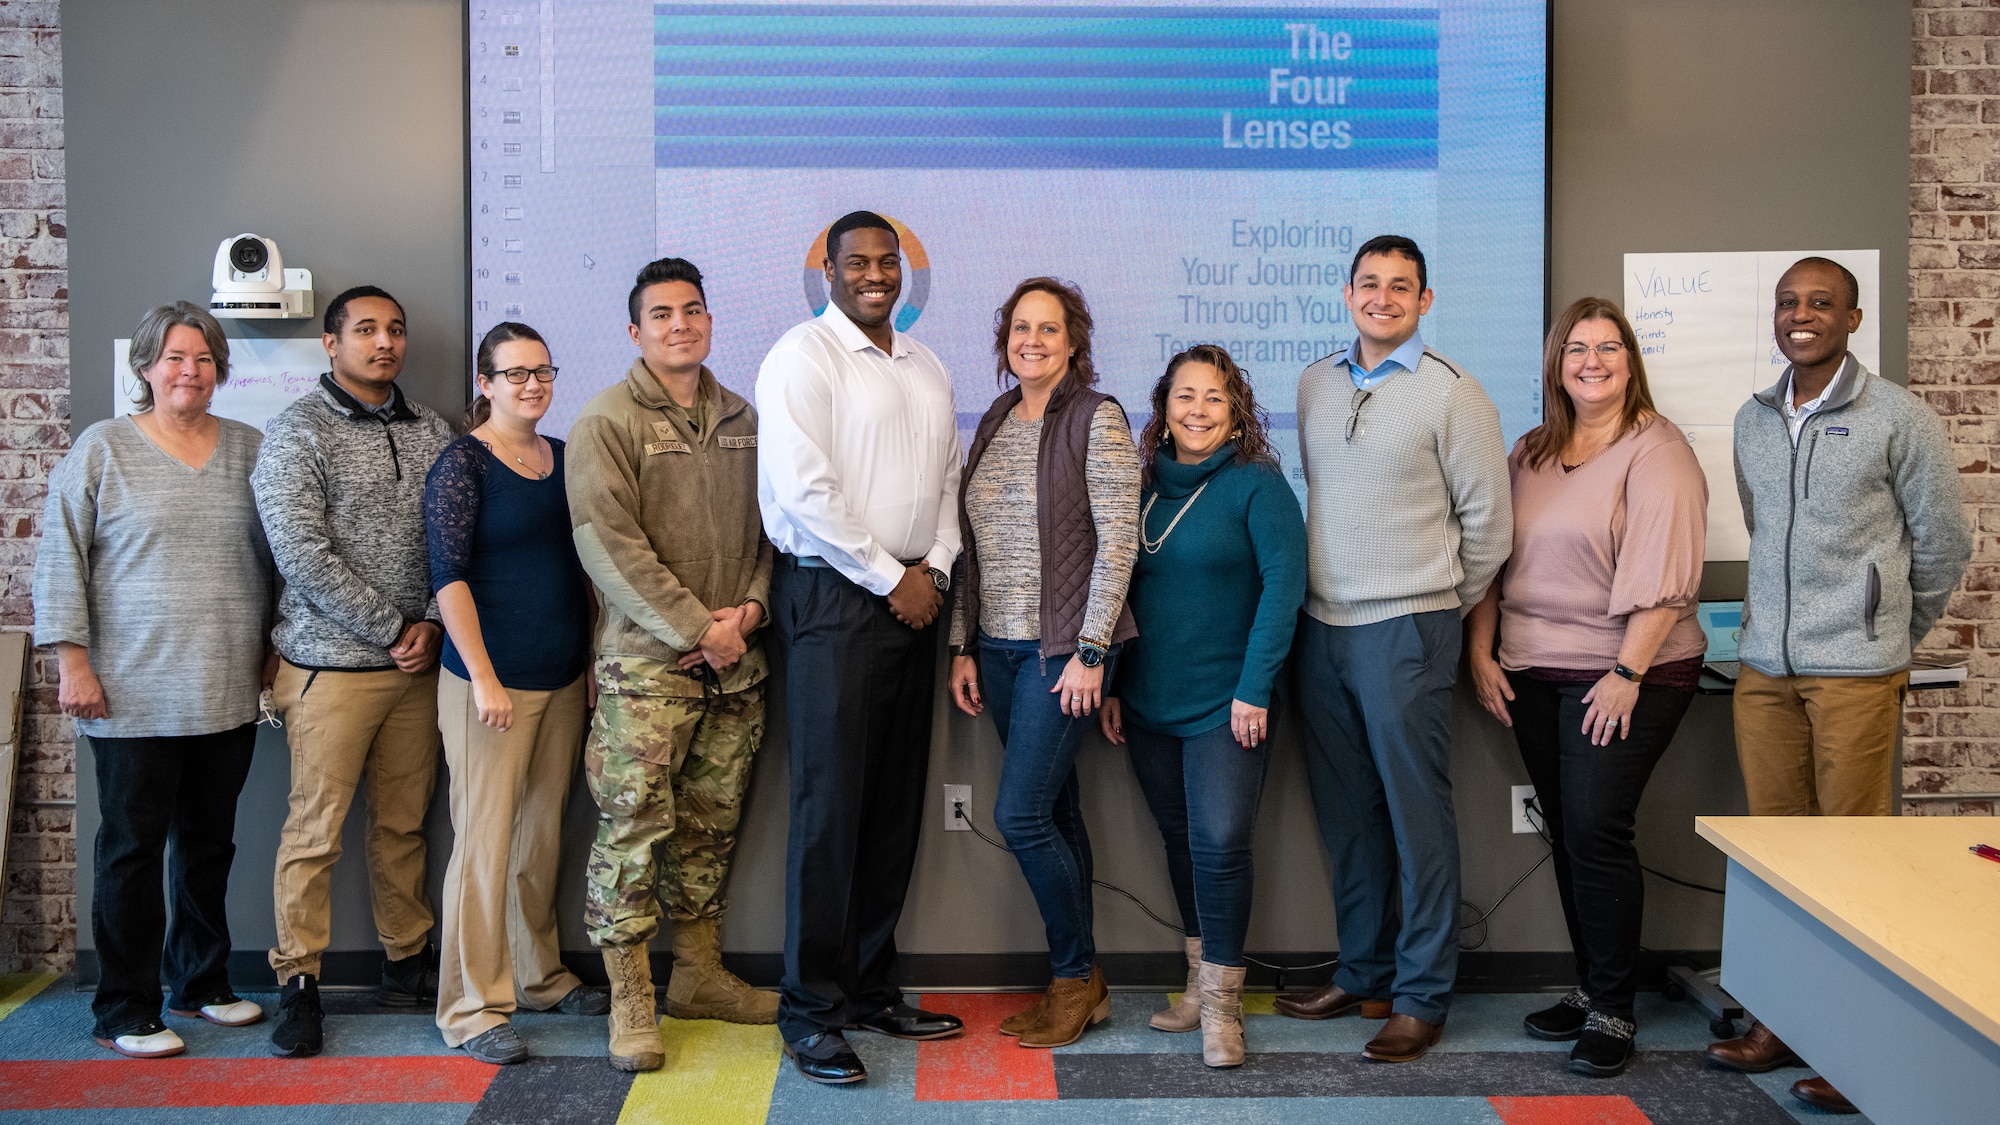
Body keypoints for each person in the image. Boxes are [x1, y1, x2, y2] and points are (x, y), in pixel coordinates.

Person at [1706, 257, 1970, 1114]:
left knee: (1857, 862)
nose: (1801, 314)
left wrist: (1885, 633)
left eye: (1821, 302)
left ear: (1854, 319)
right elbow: (1759, 524)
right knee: (1779, 862)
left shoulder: (1900, 416)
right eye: (1788, 302)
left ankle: (1858, 1051)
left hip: (1855, 672)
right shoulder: (1753, 419)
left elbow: (1941, 547)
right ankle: (1782, 1021)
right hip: (1765, 672)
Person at [1276, 235, 1511, 1063]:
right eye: (1369, 284)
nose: (1383, 298)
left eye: (1400, 286)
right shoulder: (1315, 382)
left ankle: (1419, 995)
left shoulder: (1455, 395)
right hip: (1322, 627)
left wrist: (1437, 593)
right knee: (1347, 817)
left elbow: (1490, 527)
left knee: (1417, 816)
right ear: (1348, 294)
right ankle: (1363, 969)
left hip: (1408, 624)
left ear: (1425, 300)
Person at [1465, 297, 1708, 1078]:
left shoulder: (1658, 451)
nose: (1592, 361)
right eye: (1577, 348)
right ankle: (1590, 983)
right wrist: (1481, 648)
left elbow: (1666, 585)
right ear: (1556, 363)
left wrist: (1627, 673)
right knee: (1569, 829)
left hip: (1630, 670)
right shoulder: (1531, 451)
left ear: (1630, 361)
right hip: (1536, 667)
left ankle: (1613, 1009)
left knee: (1599, 828)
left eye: (1608, 347)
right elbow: (1494, 557)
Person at [757, 211, 965, 1084]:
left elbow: (947, 480)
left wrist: (939, 567)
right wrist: (891, 575)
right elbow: (806, 492)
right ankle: (809, 1011)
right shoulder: (801, 357)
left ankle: (872, 985)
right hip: (836, 598)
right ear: (830, 273)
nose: (875, 275)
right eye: (858, 263)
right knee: (830, 809)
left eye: (888, 262)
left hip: (918, 598)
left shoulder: (927, 363)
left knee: (890, 804)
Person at [33, 303, 273, 1059]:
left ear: (221, 369)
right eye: (174, 357)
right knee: (131, 851)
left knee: (208, 846)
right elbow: (59, 557)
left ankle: (199, 982)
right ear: (145, 367)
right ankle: (124, 1004)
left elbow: (278, 561)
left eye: (203, 358)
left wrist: (273, 652)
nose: (189, 370)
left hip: (227, 686)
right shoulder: (102, 448)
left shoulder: (250, 449)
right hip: (128, 691)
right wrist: (72, 661)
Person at [567, 258, 779, 1073]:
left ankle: (699, 977)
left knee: (708, 829)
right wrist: (700, 625)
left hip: (735, 669)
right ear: (635, 331)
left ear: (709, 320)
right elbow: (608, 545)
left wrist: (749, 614)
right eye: (662, 315)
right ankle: (631, 998)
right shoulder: (606, 420)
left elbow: (773, 529)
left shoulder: (743, 417)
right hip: (644, 674)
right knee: (631, 832)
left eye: (693, 310)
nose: (680, 325)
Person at [251, 285, 456, 1058]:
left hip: (418, 667)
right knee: (314, 831)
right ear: (330, 345)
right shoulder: (295, 433)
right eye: (365, 329)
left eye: (396, 329)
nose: (385, 342)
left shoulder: (433, 428)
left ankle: (407, 959)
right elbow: (300, 554)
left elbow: (451, 537)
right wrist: (392, 624)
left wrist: (432, 623)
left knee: (403, 825)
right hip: (330, 668)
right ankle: (298, 980)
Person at [946, 278, 1140, 1050]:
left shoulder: (1099, 417)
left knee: (1020, 815)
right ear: (1005, 341)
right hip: (996, 647)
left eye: (1048, 329)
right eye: (1020, 328)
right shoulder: (995, 418)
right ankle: (1081, 980)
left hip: (1063, 652)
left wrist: (1093, 653)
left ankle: (1073, 976)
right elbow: (973, 544)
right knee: (1055, 811)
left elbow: (1118, 538)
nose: (1032, 340)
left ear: (1073, 341)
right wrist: (963, 641)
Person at [1099, 345, 1306, 1068]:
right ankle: (1196, 985)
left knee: (1220, 844)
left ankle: (1224, 1009)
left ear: (1236, 411)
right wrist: (1119, 687)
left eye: (1214, 398)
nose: (1198, 410)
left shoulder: (1258, 484)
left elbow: (1284, 588)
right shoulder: (1143, 483)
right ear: (1164, 406)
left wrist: (1255, 685)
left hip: (1229, 702)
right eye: (1185, 396)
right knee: (1182, 839)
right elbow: (1122, 589)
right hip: (1150, 699)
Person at [425, 322, 607, 1065]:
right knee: (484, 846)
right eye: (515, 373)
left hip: (563, 678)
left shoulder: (563, 458)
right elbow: (448, 577)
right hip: (487, 686)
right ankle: (471, 1008)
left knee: (540, 837)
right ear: (486, 383)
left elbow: (586, 569)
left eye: (542, 371)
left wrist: (590, 662)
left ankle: (538, 976)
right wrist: (485, 677)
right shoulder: (462, 464)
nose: (532, 384)